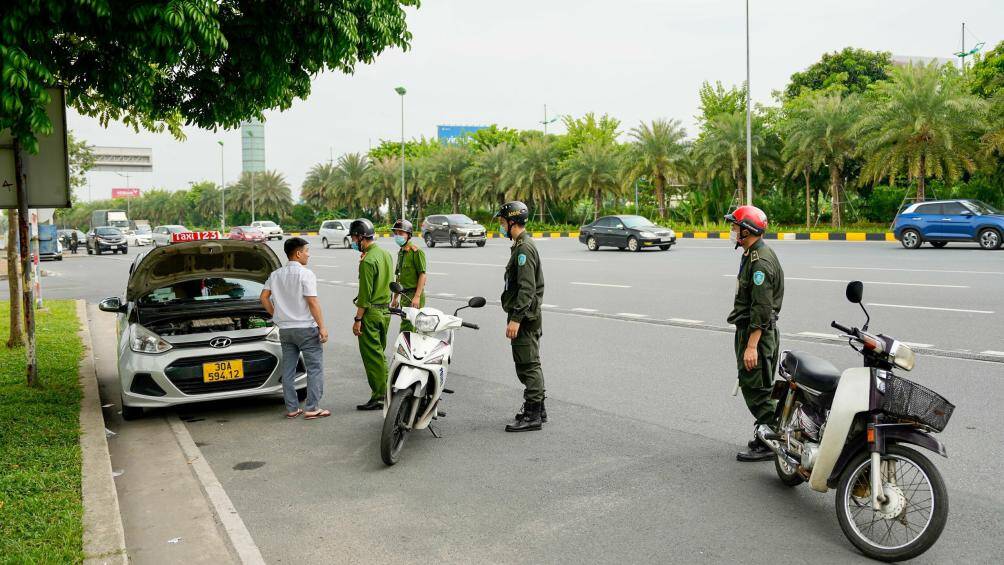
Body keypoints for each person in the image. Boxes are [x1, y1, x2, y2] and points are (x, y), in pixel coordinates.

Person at [725, 205, 785, 462]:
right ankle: (766, 433)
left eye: (735, 227)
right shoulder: (752, 254)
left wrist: (751, 346)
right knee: (758, 386)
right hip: (754, 332)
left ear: (747, 231)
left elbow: (762, 308)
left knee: (756, 389)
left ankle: (772, 440)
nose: (732, 231)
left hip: (757, 336)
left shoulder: (760, 263)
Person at [260, 237, 330, 420]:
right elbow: (312, 302)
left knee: (288, 369)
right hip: (306, 329)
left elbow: (264, 297)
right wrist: (322, 327)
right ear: (298, 253)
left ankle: (292, 408)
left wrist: (276, 315)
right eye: (307, 251)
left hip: (285, 331)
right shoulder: (306, 274)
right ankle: (312, 407)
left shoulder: (275, 275)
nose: (308, 254)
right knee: (314, 368)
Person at [497, 201, 547, 432]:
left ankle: (532, 415)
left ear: (512, 223)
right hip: (526, 315)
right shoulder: (521, 245)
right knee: (529, 363)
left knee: (528, 365)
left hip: (525, 318)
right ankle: (539, 409)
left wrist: (516, 319)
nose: (500, 225)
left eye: (502, 222)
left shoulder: (524, 249)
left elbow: (527, 288)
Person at [349, 218, 394, 411]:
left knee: (372, 357)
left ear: (360, 237)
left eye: (353, 237)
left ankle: (380, 396)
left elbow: (365, 296)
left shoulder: (368, 261)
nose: (352, 241)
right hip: (385, 311)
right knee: (380, 354)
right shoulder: (385, 254)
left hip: (372, 313)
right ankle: (387, 392)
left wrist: (358, 319)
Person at [390, 219, 427, 332]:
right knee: (409, 328)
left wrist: (417, 297)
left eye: (401, 233)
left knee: (408, 329)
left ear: (408, 235)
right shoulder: (401, 252)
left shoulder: (416, 252)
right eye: (396, 233)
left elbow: (422, 275)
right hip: (404, 296)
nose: (397, 236)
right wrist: (395, 298)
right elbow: (399, 277)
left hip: (413, 295)